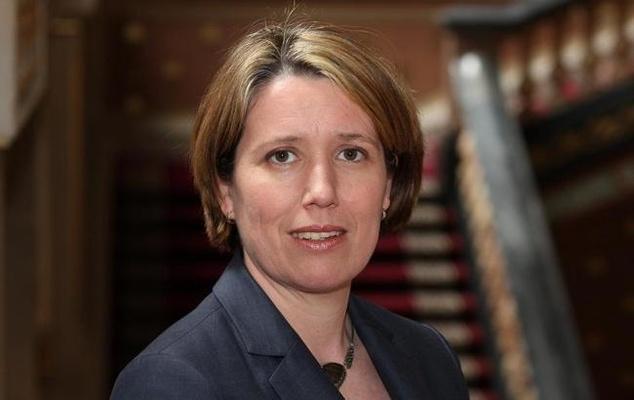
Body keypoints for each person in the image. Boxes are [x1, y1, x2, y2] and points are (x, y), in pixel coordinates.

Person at [111, 15, 469, 400]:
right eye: (282, 156)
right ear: (224, 190)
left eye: (351, 154)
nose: (322, 191)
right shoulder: (171, 383)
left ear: (389, 184)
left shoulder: (429, 357)